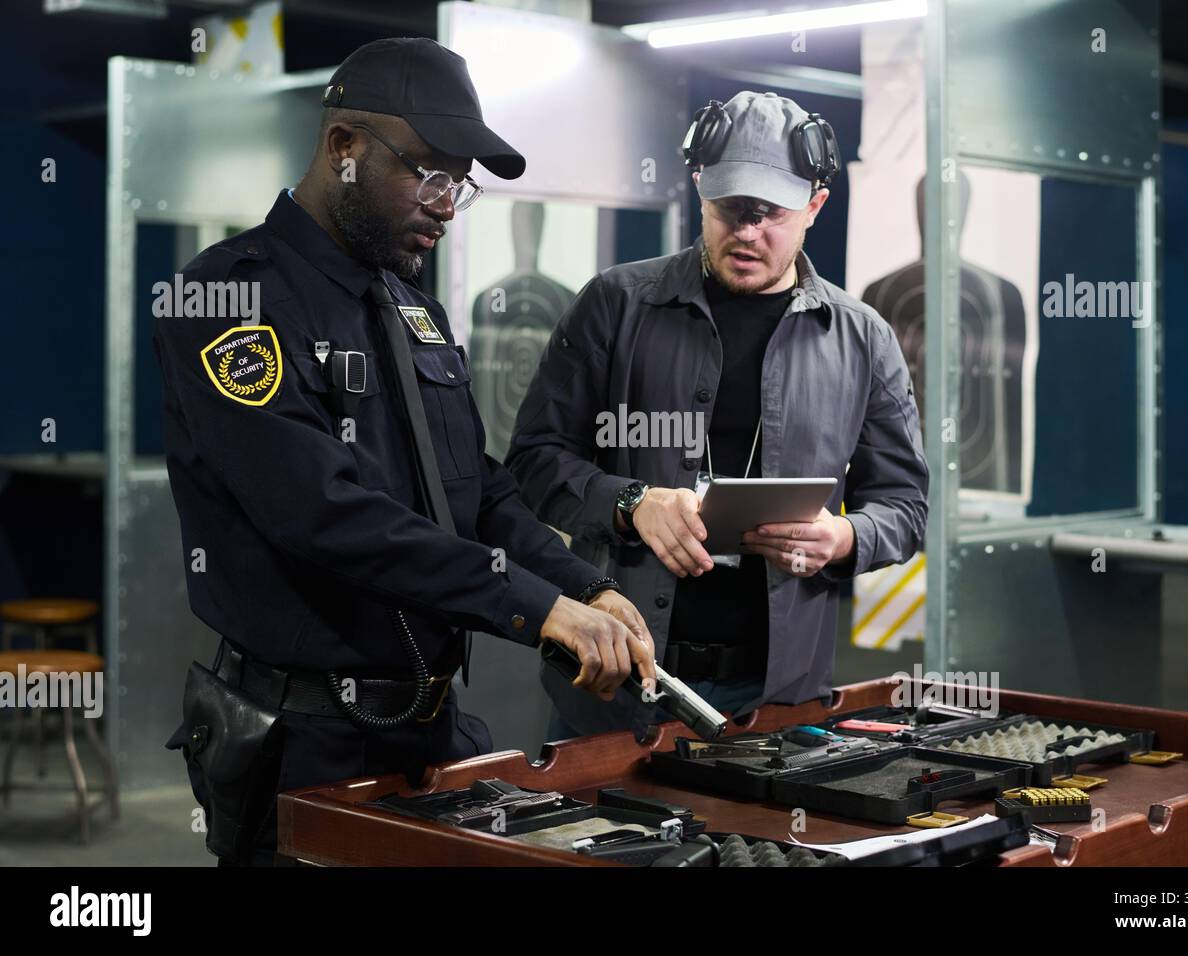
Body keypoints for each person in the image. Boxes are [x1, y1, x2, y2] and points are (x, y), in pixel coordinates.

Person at [155, 37, 654, 866]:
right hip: (305, 746)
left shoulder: (411, 309)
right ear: (343, 147)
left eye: (460, 182)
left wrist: (584, 586)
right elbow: (325, 515)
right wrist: (537, 610)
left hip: (428, 732)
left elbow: (477, 490)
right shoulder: (229, 298)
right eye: (428, 172)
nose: (447, 203)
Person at [506, 91, 929, 740]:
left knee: (762, 846)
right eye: (732, 209)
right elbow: (533, 461)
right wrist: (631, 503)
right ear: (700, 188)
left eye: (772, 214)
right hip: (614, 684)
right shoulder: (614, 307)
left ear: (815, 206)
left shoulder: (864, 339)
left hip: (778, 702)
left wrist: (844, 538)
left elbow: (904, 504)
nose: (748, 232)